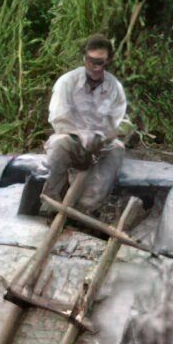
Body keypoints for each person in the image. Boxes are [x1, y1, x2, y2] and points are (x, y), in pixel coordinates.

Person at [43, 35, 130, 213]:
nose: (96, 67)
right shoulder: (67, 82)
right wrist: (81, 135)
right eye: (92, 61)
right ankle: (50, 204)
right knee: (59, 143)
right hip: (73, 139)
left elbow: (119, 120)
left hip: (100, 143)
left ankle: (86, 208)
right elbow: (59, 118)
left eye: (101, 63)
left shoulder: (114, 87)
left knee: (117, 149)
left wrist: (104, 136)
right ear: (84, 59)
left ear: (108, 61)